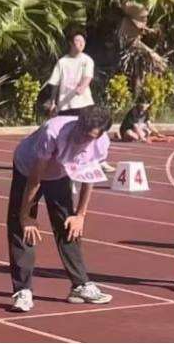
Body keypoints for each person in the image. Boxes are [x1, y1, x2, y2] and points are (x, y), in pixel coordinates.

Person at [8, 106, 115, 312]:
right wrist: (26, 216)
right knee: (22, 226)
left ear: (100, 134)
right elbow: (35, 179)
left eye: (90, 137)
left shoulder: (101, 144)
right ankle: (23, 290)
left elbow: (89, 177)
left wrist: (80, 215)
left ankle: (80, 285)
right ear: (77, 123)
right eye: (81, 132)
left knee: (69, 223)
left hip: (60, 172)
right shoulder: (53, 132)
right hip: (28, 168)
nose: (83, 139)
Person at [42, 28, 95, 118]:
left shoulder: (87, 60)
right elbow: (55, 83)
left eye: (83, 42)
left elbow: (88, 77)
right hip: (65, 105)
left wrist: (82, 87)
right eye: (78, 41)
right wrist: (53, 102)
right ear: (71, 43)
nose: (81, 44)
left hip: (84, 104)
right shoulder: (62, 62)